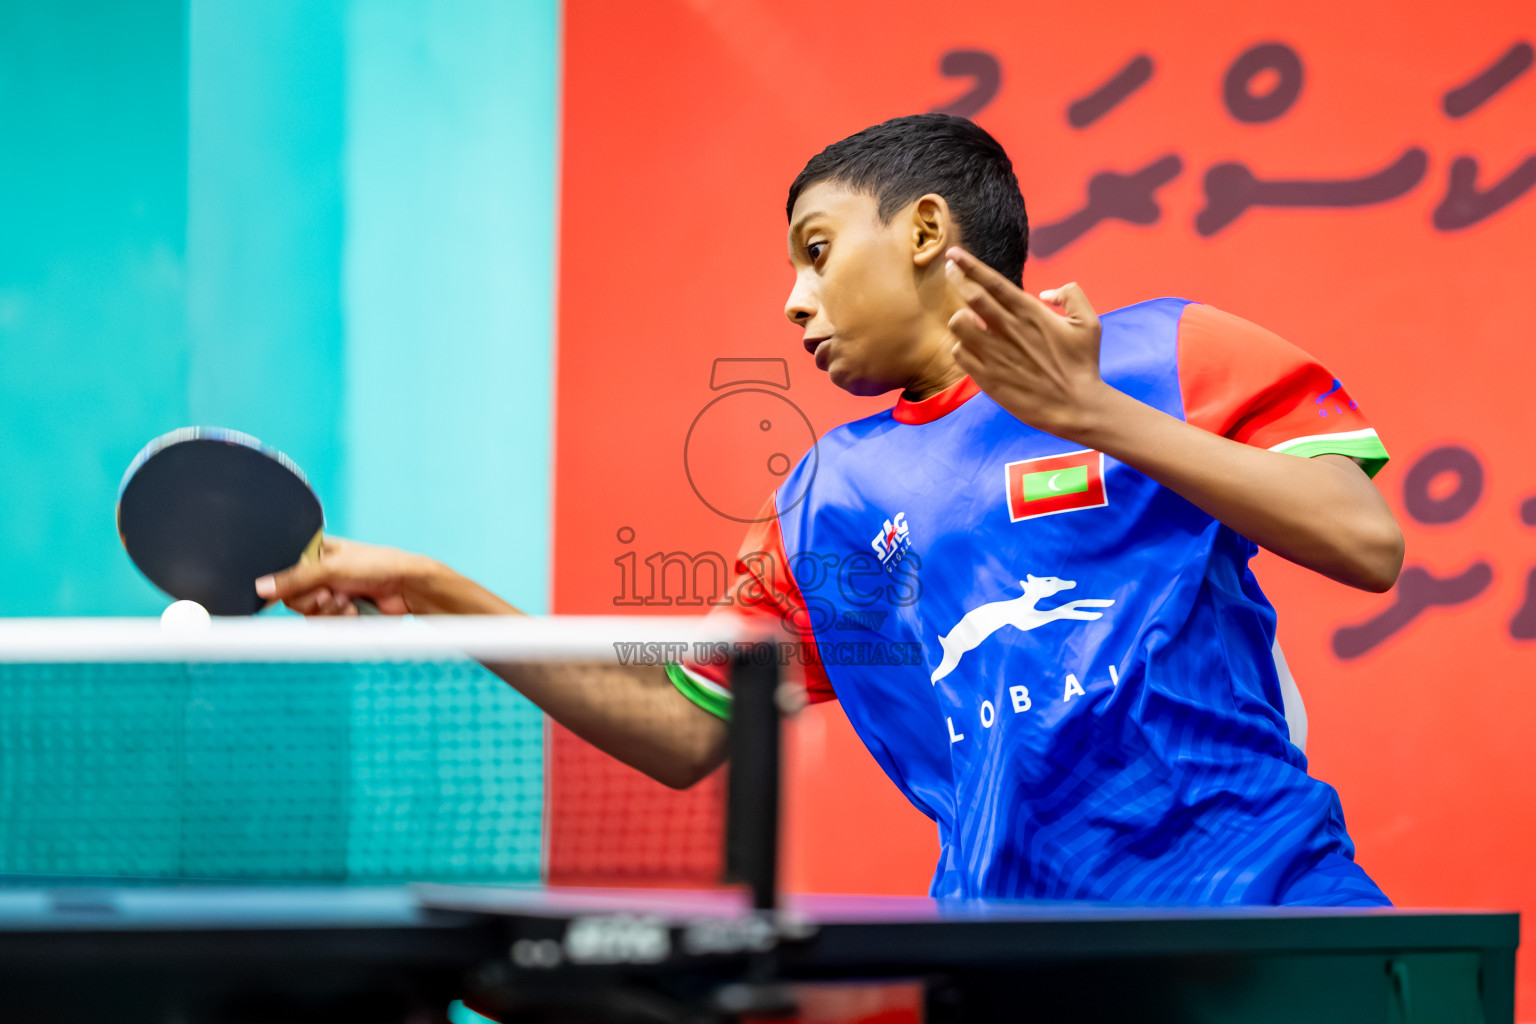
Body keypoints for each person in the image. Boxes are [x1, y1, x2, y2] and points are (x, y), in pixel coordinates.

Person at [258, 113, 1403, 904]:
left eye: (816, 251)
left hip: (1268, 906)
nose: (793, 298)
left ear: (921, 232)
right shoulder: (827, 498)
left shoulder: (1168, 353)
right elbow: (685, 728)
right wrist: (435, 594)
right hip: (1020, 957)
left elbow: (1363, 540)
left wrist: (1093, 412)